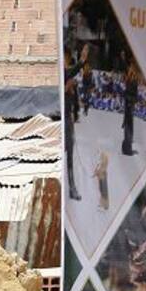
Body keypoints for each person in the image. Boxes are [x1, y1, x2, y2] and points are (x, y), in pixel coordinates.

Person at [64, 49, 82, 201]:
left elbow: (74, 102)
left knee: (70, 156)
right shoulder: (59, 76)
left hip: (68, 123)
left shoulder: (69, 79)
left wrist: (75, 115)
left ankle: (72, 188)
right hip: (57, 123)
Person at [121, 62, 138, 156]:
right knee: (127, 126)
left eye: (132, 69)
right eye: (130, 69)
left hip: (130, 105)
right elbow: (125, 92)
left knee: (129, 127)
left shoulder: (134, 81)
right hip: (127, 105)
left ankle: (127, 148)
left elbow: (135, 96)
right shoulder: (128, 80)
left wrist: (131, 100)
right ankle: (126, 148)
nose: (131, 71)